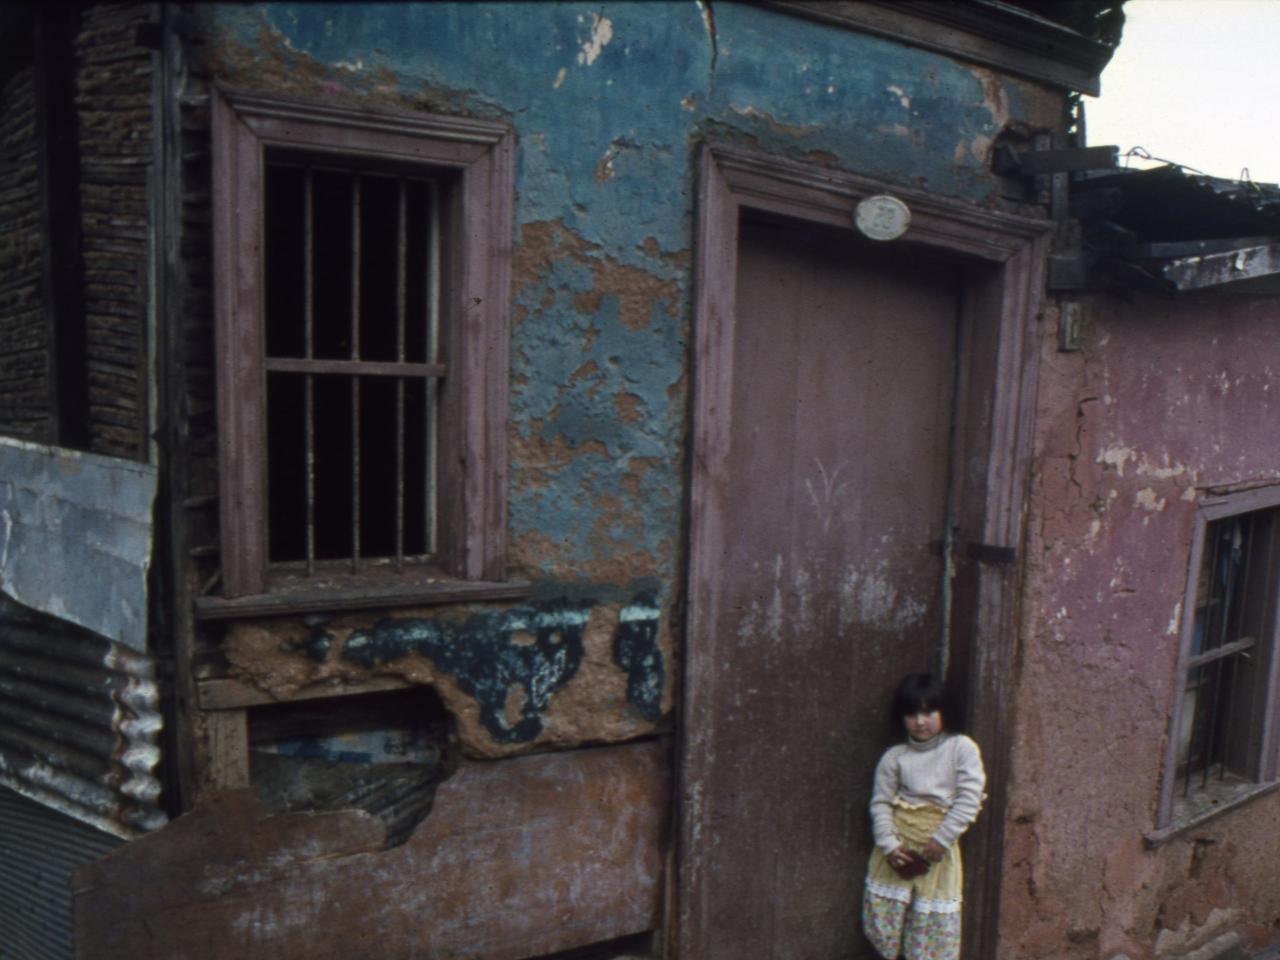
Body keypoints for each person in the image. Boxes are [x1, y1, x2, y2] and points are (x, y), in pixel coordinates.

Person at [862, 673, 986, 960]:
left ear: (944, 711)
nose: (920, 722)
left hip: (938, 853)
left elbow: (970, 798)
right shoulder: (895, 757)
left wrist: (942, 840)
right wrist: (890, 846)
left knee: (929, 927)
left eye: (929, 712)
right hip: (898, 852)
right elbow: (880, 803)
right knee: (888, 923)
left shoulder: (960, 748)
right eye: (911, 713)